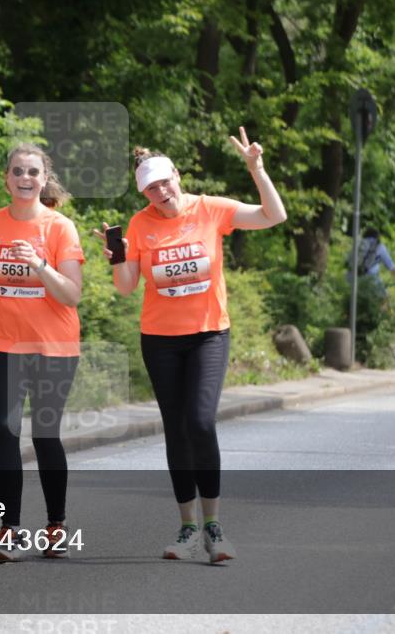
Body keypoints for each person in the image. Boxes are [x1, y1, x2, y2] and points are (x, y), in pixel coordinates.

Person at [94, 127, 286, 563]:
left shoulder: (210, 209)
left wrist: (256, 169)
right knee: (176, 431)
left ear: (177, 176)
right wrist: (119, 257)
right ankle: (186, 528)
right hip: (159, 340)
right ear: (143, 193)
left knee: (201, 423)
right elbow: (126, 289)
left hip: (208, 334)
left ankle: (215, 526)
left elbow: (274, 216)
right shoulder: (141, 225)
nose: (161, 192)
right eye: (150, 188)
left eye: (164, 182)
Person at [0, 143, 84, 562]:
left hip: (54, 345)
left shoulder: (59, 228)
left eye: (33, 172)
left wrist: (39, 264)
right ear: (7, 178)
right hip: (2, 341)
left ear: (44, 178)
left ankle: (55, 525)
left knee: (45, 435)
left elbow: (71, 295)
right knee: (5, 428)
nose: (25, 178)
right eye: (18, 171)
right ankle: (10, 530)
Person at [352, 227, 395, 291]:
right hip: (371, 281)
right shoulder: (380, 247)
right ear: (377, 237)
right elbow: (392, 267)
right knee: (384, 298)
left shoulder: (358, 243)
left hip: (353, 279)